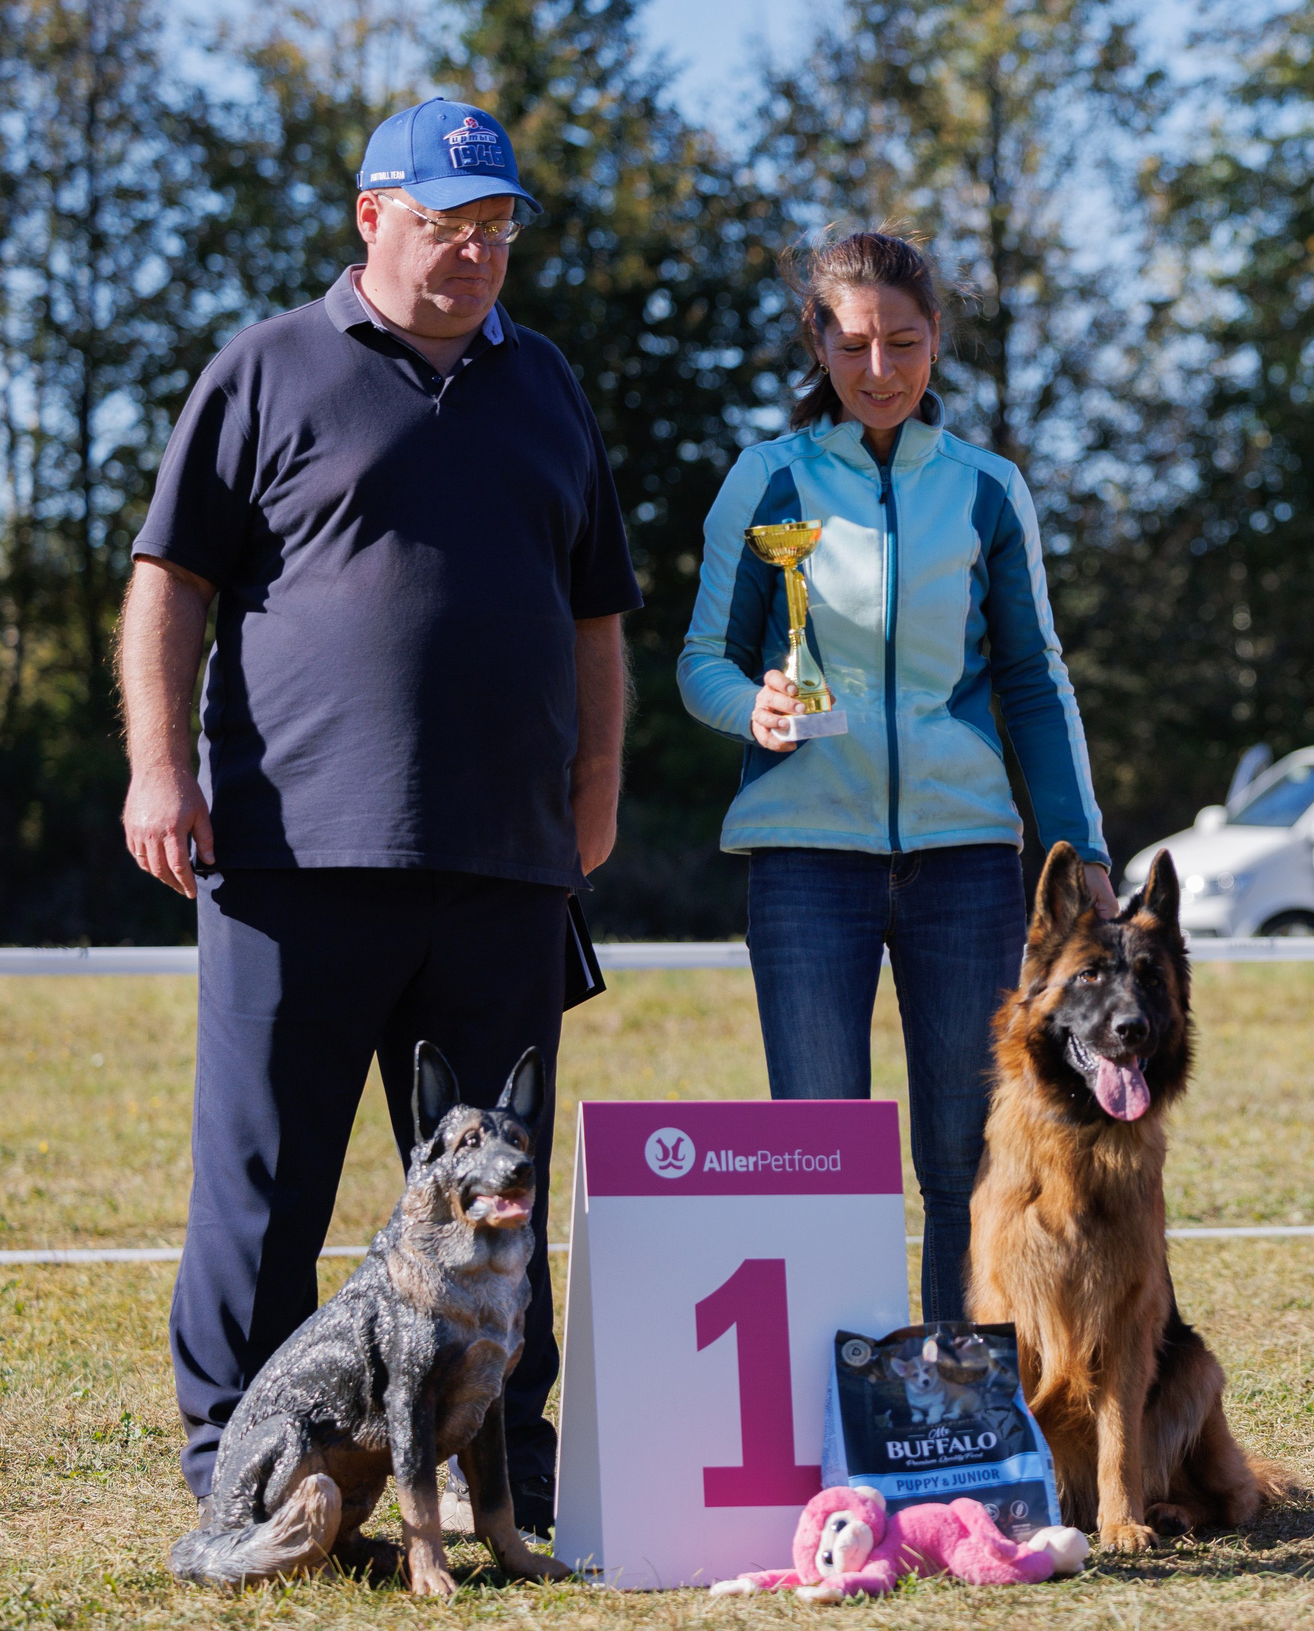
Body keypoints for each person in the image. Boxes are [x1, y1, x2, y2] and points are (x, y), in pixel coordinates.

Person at [119, 97, 637, 1531]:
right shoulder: (266, 367)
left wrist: (597, 780)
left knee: (501, 1186)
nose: (475, 252)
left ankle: (505, 1464)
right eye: (443, 225)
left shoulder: (548, 383)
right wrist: (158, 766)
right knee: (263, 1183)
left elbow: (597, 606)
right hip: (293, 856)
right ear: (370, 216)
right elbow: (169, 579)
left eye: (498, 228)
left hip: (506, 863)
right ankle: (242, 1471)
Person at [678, 231, 1112, 1323]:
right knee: (820, 1157)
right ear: (818, 342)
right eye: (855, 344)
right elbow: (700, 663)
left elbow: (1034, 680)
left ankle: (952, 1394)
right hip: (803, 859)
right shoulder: (764, 479)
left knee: (969, 1158)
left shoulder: (987, 488)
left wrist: (1085, 849)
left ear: (936, 340)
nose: (880, 370)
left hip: (966, 861)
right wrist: (752, 707)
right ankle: (835, 1391)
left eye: (904, 343)